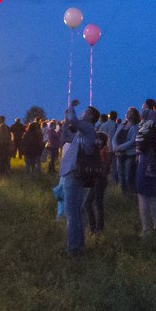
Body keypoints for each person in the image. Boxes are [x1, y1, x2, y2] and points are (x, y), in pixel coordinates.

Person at [61, 99, 98, 254]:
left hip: (75, 172)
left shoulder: (89, 128)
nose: (83, 112)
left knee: (71, 211)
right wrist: (65, 119)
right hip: (73, 171)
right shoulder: (81, 133)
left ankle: (73, 248)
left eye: (85, 112)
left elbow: (74, 120)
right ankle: (78, 245)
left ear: (90, 117)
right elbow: (65, 137)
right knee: (75, 210)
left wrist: (71, 107)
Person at [135, 100, 156, 234]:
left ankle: (146, 228)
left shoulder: (149, 127)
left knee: (142, 195)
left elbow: (141, 146)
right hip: (155, 162)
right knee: (152, 195)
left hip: (146, 161)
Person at [84, 130, 111, 234]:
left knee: (94, 204)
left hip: (99, 179)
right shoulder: (103, 150)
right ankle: (96, 228)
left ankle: (96, 228)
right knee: (91, 203)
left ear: (101, 140)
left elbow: (102, 165)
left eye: (97, 139)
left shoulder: (102, 151)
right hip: (99, 179)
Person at [112, 108, 139, 195]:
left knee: (128, 175)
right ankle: (124, 194)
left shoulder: (135, 127)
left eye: (131, 113)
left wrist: (120, 147)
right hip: (119, 154)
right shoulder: (121, 126)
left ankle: (131, 193)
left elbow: (132, 141)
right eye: (128, 112)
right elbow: (114, 138)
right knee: (120, 176)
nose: (129, 114)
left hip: (129, 154)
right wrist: (115, 147)